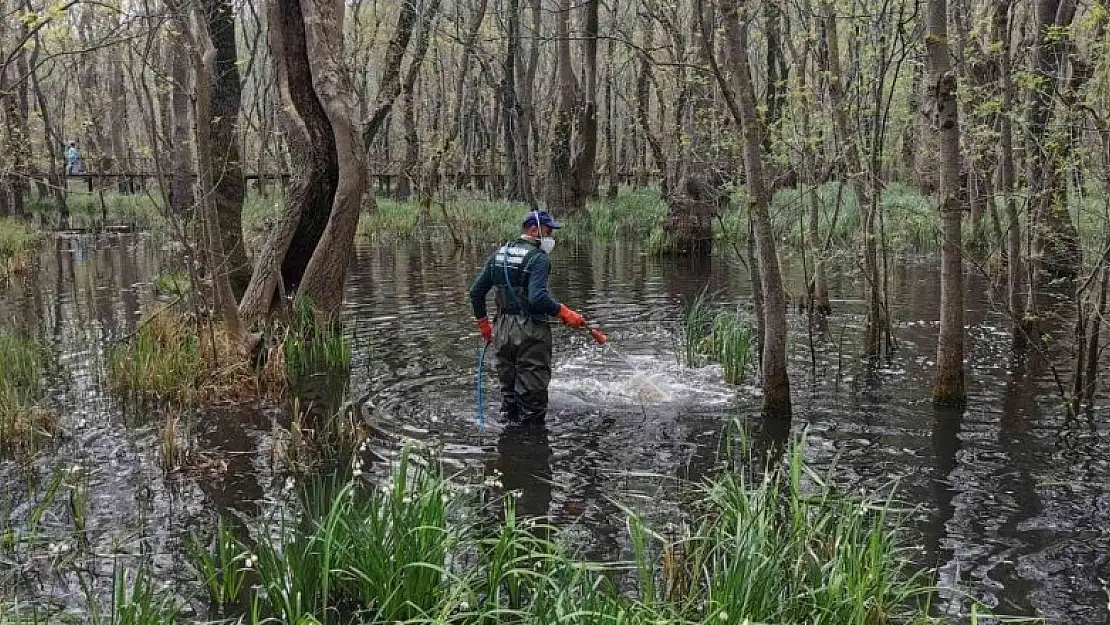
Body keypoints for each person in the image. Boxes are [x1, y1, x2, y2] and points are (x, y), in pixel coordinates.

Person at [469, 209, 589, 424]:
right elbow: (538, 297)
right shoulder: (538, 258)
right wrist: (564, 312)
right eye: (548, 231)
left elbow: (476, 292)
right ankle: (532, 445)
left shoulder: (500, 253)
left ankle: (509, 443)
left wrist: (484, 326)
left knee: (509, 392)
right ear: (534, 231)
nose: (551, 237)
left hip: (502, 330)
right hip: (530, 331)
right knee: (533, 394)